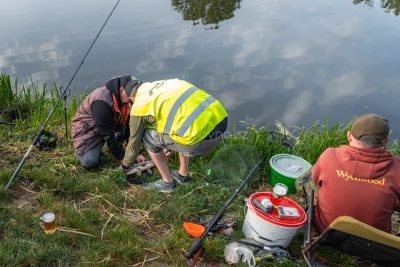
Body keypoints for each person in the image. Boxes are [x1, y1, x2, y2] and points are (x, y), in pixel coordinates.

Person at [122, 78, 228, 192]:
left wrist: (125, 166)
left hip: (200, 140)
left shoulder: (139, 105)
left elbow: (134, 142)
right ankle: (182, 175)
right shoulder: (168, 83)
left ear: (131, 98)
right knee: (178, 124)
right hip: (221, 123)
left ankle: (167, 183)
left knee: (147, 137)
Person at [312, 113, 400, 234]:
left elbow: (314, 179)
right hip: (373, 243)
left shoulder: (329, 155)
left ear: (349, 136)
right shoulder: (397, 169)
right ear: (385, 141)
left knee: (310, 175)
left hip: (327, 233)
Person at [71, 75, 145, 169]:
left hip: (107, 126)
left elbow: (128, 127)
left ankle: (116, 142)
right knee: (90, 162)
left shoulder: (126, 99)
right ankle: (81, 152)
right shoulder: (101, 103)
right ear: (121, 90)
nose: (133, 98)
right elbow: (107, 134)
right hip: (87, 132)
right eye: (130, 94)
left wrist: (136, 154)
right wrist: (122, 158)